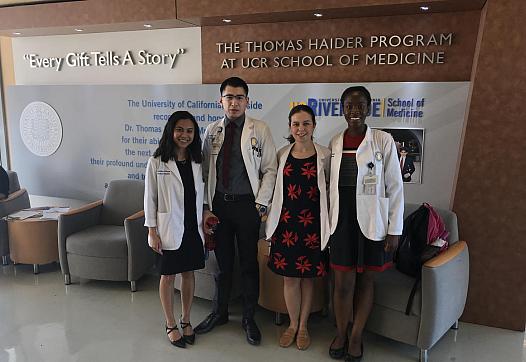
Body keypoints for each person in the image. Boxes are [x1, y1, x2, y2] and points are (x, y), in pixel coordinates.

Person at [195, 76, 277, 346]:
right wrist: (206, 207)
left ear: (247, 101)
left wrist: (260, 204)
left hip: (247, 207)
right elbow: (205, 172)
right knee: (223, 263)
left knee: (249, 264)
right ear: (221, 101)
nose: (234, 102)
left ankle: (249, 318)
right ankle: (219, 312)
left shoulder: (260, 129)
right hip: (219, 206)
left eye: (239, 97)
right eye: (229, 97)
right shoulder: (212, 131)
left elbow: (269, 170)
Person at [328, 86, 404, 361]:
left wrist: (395, 230)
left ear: (369, 109)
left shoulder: (383, 141)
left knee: (366, 283)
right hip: (342, 222)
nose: (355, 111)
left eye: (360, 106)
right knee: (342, 284)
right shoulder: (335, 142)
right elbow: (329, 188)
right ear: (342, 109)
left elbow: (395, 188)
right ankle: (340, 332)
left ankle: (357, 336)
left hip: (373, 221)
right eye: (349, 106)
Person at [265, 104, 330, 350]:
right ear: (290, 127)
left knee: (308, 279)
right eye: (295, 124)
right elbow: (273, 189)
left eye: (305, 124)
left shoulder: (325, 154)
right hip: (286, 225)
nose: (300, 129)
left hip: (313, 226)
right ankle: (292, 324)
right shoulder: (282, 154)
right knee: (290, 279)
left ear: (314, 126)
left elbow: (331, 194)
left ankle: (303, 327)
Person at [144, 111, 206, 349]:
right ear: (171, 131)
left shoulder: (198, 160)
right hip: (168, 227)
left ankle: (186, 319)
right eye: (180, 129)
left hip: (193, 226)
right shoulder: (157, 161)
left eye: (190, 131)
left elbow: (202, 194)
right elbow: (150, 198)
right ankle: (170, 324)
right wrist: (152, 231)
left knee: (189, 274)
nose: (185, 135)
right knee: (168, 276)